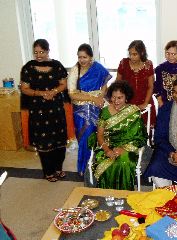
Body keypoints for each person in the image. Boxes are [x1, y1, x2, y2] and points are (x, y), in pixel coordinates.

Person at [20, 39, 68, 182]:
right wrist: (40, 93)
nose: (39, 55)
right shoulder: (28, 67)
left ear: (48, 51)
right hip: (38, 111)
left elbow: (63, 84)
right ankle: (48, 171)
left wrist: (53, 92)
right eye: (36, 52)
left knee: (60, 141)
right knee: (44, 142)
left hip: (56, 109)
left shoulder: (57, 65)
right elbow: (24, 88)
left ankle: (58, 168)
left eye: (42, 52)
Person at [91, 81, 147, 190]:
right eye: (113, 97)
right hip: (107, 144)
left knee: (124, 162)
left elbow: (140, 137)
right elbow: (100, 135)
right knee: (106, 163)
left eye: (120, 98)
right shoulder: (105, 112)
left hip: (128, 147)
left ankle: (123, 196)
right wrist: (107, 150)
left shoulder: (133, 112)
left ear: (126, 98)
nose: (116, 101)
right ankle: (105, 196)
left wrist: (123, 149)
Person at [68, 43, 112, 175]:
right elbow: (72, 94)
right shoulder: (75, 71)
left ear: (91, 57)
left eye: (85, 57)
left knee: (100, 135)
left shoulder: (97, 68)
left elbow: (105, 83)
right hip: (81, 109)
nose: (82, 60)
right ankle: (84, 168)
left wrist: (101, 96)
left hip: (98, 106)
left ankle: (98, 165)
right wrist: (93, 99)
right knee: (85, 138)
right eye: (79, 57)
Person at [116, 40, 155, 126]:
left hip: (144, 102)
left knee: (144, 132)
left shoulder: (148, 65)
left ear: (141, 53)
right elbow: (117, 84)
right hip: (126, 103)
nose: (131, 57)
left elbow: (150, 86)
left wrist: (145, 103)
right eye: (130, 54)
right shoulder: (124, 63)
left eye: (134, 54)